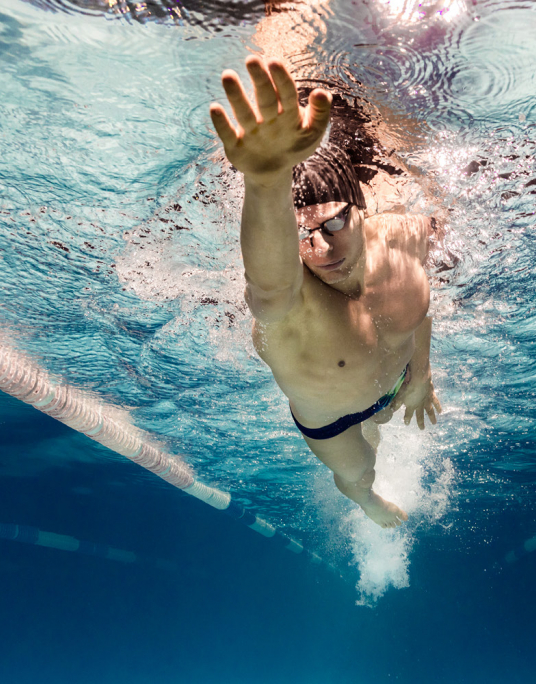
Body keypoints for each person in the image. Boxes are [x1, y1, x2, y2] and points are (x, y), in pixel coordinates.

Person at [209, 56, 441, 528]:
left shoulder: (403, 235)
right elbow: (269, 287)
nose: (320, 246)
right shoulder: (293, 308)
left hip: (396, 381)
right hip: (331, 422)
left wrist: (422, 377)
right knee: (359, 470)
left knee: (382, 424)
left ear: (361, 209)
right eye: (301, 233)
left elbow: (418, 315)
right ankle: (366, 502)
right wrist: (266, 179)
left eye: (334, 221)